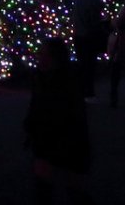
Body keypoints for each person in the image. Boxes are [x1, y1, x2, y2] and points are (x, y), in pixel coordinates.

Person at [24, 37, 92, 204]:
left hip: (66, 140)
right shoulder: (41, 78)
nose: (39, 57)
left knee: (71, 186)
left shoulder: (65, 82)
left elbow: (71, 116)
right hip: (47, 139)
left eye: (43, 54)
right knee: (46, 184)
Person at [69, 0, 108, 100]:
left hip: (78, 33)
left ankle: (80, 91)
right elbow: (93, 21)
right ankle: (87, 93)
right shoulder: (94, 0)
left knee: (83, 64)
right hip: (88, 36)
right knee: (89, 65)